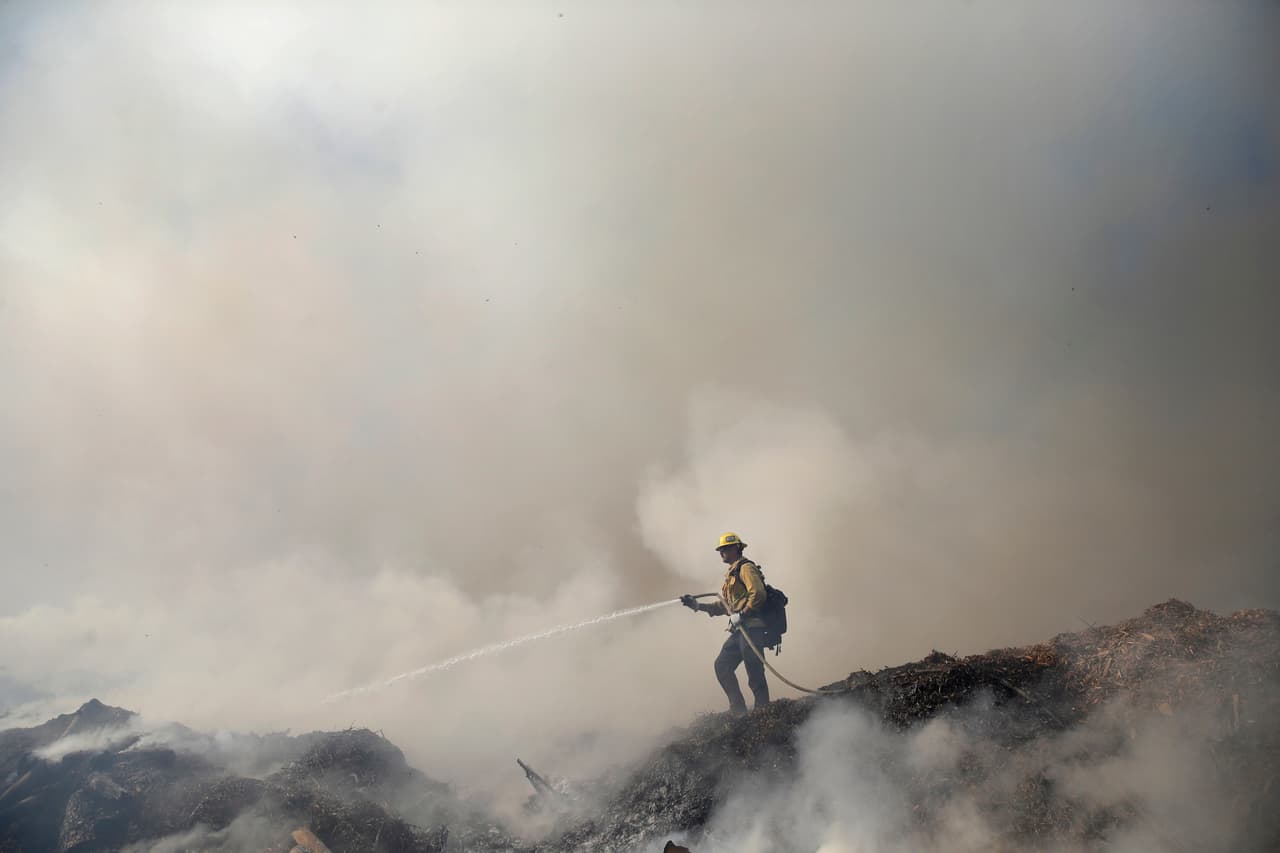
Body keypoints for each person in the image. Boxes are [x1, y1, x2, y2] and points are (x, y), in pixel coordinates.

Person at [680, 532, 770, 714]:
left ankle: (763, 712)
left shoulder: (746, 568)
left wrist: (743, 614)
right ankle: (738, 712)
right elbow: (725, 606)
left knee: (754, 672)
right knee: (722, 666)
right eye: (720, 549)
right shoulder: (731, 574)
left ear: (737, 548)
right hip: (740, 630)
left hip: (752, 628)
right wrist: (698, 606)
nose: (722, 552)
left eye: (726, 549)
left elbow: (758, 594)